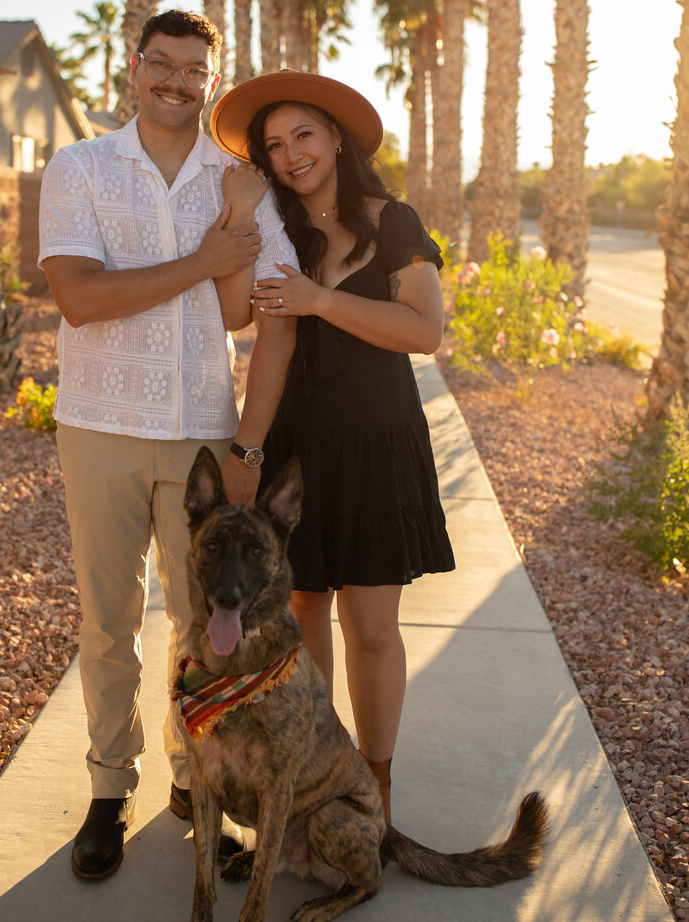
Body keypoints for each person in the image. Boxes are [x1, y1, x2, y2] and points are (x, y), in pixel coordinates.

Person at [38, 11, 297, 880]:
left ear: (212, 84)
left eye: (196, 71)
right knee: (109, 623)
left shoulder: (239, 183)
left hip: (200, 432)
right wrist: (205, 255)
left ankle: (200, 788)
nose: (177, 82)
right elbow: (80, 298)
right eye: (163, 64)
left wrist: (247, 448)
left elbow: (249, 314)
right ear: (135, 65)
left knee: (206, 628)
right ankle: (111, 789)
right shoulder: (78, 168)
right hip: (100, 424)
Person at [210, 69, 455, 823]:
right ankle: (320, 772)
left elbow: (423, 330)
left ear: (336, 136)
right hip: (298, 452)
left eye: (303, 135)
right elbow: (245, 326)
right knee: (304, 612)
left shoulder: (395, 222)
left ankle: (375, 785)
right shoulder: (278, 230)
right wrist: (249, 451)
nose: (290, 155)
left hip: (381, 444)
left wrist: (322, 298)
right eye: (274, 146)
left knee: (373, 628)